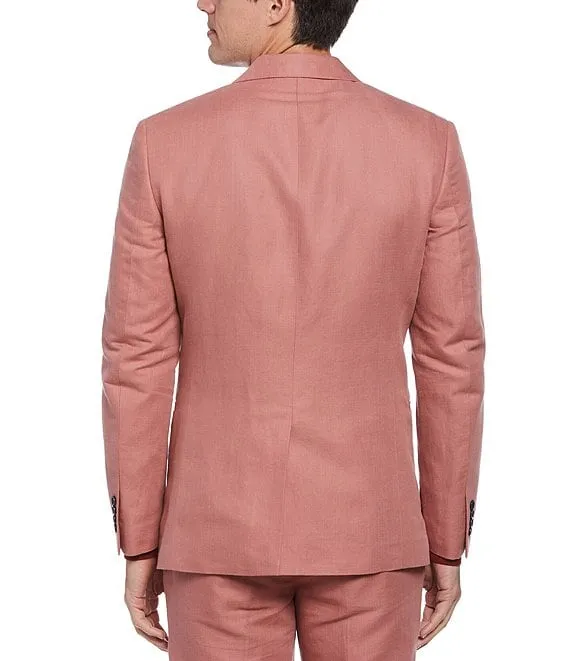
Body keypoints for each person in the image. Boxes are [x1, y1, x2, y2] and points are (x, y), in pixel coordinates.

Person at [101, 1, 485, 659]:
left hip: (215, 537)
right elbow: (453, 359)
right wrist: (446, 537)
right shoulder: (428, 144)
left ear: (278, 4)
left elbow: (136, 358)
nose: (204, 3)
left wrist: (140, 538)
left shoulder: (163, 143)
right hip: (369, 532)